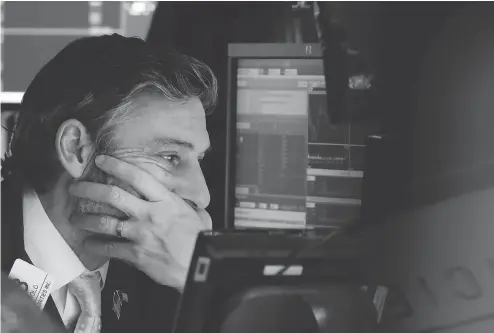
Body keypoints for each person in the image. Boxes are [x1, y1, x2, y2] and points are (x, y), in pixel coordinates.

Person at [1, 33, 218, 333]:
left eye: (200, 160)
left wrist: (200, 283)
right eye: (170, 157)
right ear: (76, 148)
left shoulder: (175, 271)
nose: (202, 195)